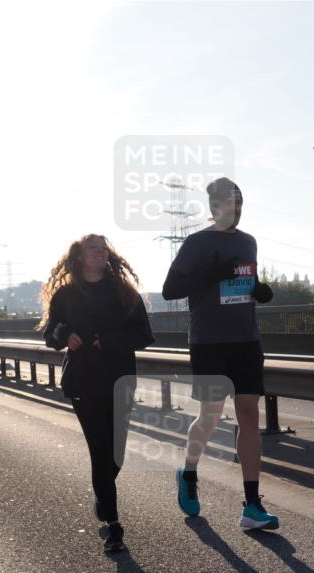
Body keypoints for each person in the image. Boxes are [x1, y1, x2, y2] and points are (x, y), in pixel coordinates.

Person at [161, 177, 278, 531]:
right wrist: (210, 274)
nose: (236, 211)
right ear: (214, 208)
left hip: (245, 340)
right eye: (230, 205)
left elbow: (244, 284)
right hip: (208, 342)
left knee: (248, 415)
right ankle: (189, 471)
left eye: (240, 205)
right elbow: (170, 290)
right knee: (210, 416)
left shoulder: (248, 242)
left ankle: (252, 505)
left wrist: (258, 289)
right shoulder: (197, 243)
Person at [40, 234, 154, 553]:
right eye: (93, 248)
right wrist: (65, 334)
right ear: (79, 255)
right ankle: (113, 525)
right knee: (100, 451)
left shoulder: (124, 293)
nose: (100, 252)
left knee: (115, 453)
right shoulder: (65, 295)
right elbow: (51, 334)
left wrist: (111, 339)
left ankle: (102, 495)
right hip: (84, 380)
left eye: (104, 248)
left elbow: (144, 334)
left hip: (120, 380)